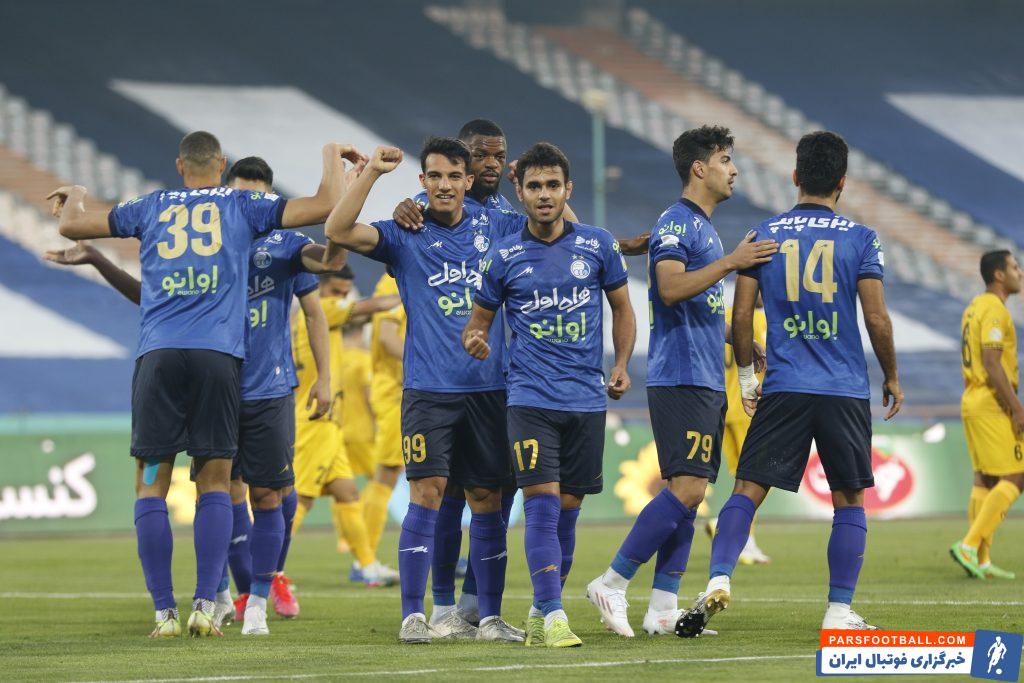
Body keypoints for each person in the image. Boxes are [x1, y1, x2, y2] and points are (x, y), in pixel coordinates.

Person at [46, 132, 360, 637]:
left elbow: (70, 225)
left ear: (179, 165)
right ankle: (204, 603)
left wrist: (77, 193)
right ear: (221, 164)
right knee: (217, 482)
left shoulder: (151, 205)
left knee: (151, 482)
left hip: (159, 357)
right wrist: (330, 156)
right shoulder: (241, 206)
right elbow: (325, 205)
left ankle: (164, 612)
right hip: (218, 359)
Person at [677, 130, 902, 636]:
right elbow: (877, 317)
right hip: (843, 387)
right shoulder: (862, 238)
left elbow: (740, 316)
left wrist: (747, 375)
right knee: (848, 498)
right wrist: (891, 374)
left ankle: (718, 578)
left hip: (784, 385)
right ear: (842, 182)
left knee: (747, 489)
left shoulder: (763, 235)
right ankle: (839, 611)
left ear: (796, 176)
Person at [324, 138, 526, 644]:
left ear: (467, 181)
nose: (444, 185)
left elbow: (556, 228)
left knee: (487, 497)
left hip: (489, 390)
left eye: (454, 176)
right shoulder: (404, 233)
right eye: (435, 176)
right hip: (428, 391)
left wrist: (529, 187)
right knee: (427, 493)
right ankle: (415, 615)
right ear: (423, 181)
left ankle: (488, 618)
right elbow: (337, 230)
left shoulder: (497, 226)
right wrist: (372, 173)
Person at [585, 126, 776, 638]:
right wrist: (732, 262)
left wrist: (737, 338)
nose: (734, 170)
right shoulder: (676, 222)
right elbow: (669, 288)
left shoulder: (703, 228)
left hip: (705, 374)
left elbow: (699, 305)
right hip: (681, 376)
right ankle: (612, 581)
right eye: (725, 159)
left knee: (689, 495)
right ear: (699, 167)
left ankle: (663, 607)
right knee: (688, 489)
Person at [462, 141, 636, 647]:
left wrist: (621, 365)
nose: (544, 194)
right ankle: (557, 614)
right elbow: (478, 323)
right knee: (540, 502)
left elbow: (623, 309)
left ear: (567, 190)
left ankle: (541, 610)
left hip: (586, 399)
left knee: (569, 508)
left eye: (552, 185)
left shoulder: (598, 245)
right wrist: (474, 339)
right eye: (534, 186)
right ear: (519, 192)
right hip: (529, 398)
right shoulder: (504, 256)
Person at [288, 267, 400, 588]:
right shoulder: (319, 309)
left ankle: (367, 565)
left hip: (330, 422)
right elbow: (371, 307)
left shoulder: (316, 318)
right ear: (319, 288)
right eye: (336, 291)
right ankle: (266, 570)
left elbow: (360, 315)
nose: (341, 297)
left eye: (345, 292)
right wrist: (409, 293)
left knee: (347, 493)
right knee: (301, 498)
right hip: (315, 421)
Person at [950, 250, 1024, 580]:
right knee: (1017, 476)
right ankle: (968, 545)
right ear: (999, 275)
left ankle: (980, 559)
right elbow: (992, 362)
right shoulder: (994, 309)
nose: (1020, 273)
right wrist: (1017, 408)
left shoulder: (974, 306)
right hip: (991, 402)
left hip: (972, 399)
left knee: (985, 479)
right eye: (1015, 267)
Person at [350, 273, 407, 584]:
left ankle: (444, 555)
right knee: (387, 472)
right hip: (395, 391)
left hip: (411, 389)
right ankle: (364, 560)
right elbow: (387, 336)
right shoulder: (391, 283)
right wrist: (429, 360)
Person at [706, 296, 771, 566]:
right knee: (756, 479)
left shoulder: (725, 316)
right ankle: (739, 535)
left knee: (743, 479)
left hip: (723, 407)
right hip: (748, 407)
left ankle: (737, 534)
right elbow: (769, 358)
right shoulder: (759, 320)